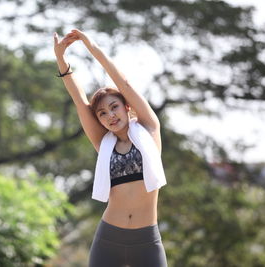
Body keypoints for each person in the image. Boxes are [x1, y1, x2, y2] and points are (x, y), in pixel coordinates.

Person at [53, 29, 168, 267]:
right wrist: (61, 60)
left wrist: (91, 45)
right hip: (109, 238)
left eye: (114, 107)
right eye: (102, 113)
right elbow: (79, 100)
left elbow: (122, 82)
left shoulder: (149, 128)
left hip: (147, 240)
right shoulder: (103, 143)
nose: (110, 115)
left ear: (127, 107)